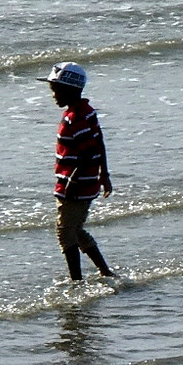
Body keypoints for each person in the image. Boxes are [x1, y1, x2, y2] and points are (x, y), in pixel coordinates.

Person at [38, 62, 115, 281]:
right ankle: (105, 271)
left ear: (69, 90)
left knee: (65, 232)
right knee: (76, 229)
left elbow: (89, 153)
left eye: (55, 89)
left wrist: (71, 181)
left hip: (75, 184)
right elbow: (99, 143)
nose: (53, 94)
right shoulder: (87, 112)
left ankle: (76, 281)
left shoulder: (75, 118)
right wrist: (105, 175)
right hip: (86, 181)